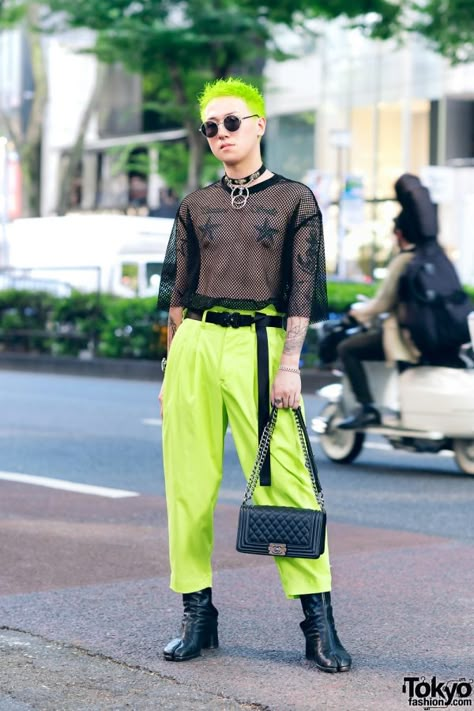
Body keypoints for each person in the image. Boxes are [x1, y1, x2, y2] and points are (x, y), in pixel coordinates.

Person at [157, 77, 351, 673]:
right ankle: (197, 613)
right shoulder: (196, 204)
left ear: (259, 124)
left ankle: (318, 622)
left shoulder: (295, 200)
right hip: (196, 345)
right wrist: (169, 366)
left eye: (231, 123)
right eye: (210, 127)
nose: (220, 134)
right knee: (187, 485)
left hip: (264, 348)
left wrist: (291, 363)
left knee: (284, 480)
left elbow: (301, 290)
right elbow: (177, 291)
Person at [337, 211, 420, 430]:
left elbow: (382, 302)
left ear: (399, 234)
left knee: (348, 348)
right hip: (428, 334)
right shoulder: (430, 256)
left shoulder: (403, 260)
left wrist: (356, 314)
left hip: (405, 336)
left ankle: (367, 408)